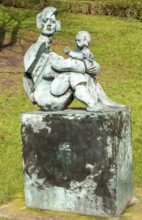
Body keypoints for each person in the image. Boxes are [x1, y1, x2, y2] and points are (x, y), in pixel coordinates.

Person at [50, 31, 100, 111]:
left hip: (87, 76)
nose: (76, 42)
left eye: (79, 40)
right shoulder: (78, 50)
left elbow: (80, 56)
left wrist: (70, 53)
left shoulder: (86, 52)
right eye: (76, 40)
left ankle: (92, 103)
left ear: (85, 41)